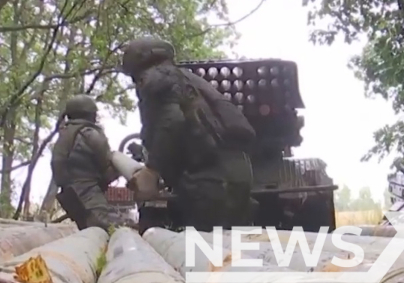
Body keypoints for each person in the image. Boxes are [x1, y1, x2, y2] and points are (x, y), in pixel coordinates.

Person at [120, 36, 256, 231]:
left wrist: (152, 170)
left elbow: (170, 122)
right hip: (237, 172)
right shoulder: (186, 78)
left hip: (209, 179)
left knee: (206, 251)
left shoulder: (154, 79)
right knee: (228, 246)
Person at [51, 94, 136, 231]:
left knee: (87, 233)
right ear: (90, 114)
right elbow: (105, 166)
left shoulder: (64, 136)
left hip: (71, 197)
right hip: (90, 197)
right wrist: (125, 166)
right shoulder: (90, 134)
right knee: (108, 231)